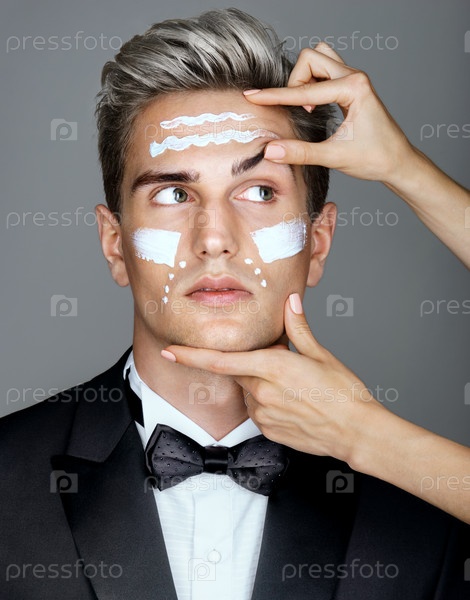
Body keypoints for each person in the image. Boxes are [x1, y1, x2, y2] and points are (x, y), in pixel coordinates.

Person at [0, 8, 468, 600]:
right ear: (114, 243)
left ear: (319, 242)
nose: (215, 237)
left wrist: (405, 169)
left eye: (259, 190)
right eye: (174, 194)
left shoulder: (426, 502)